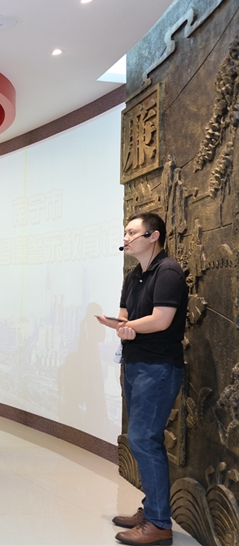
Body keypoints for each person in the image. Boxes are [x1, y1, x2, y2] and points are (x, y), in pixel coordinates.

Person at [97, 212, 187, 546]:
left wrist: (127, 327)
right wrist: (121, 324)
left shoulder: (168, 271)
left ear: (153, 236)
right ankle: (151, 510)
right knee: (142, 439)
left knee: (143, 439)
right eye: (125, 232)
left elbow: (161, 320)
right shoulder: (134, 275)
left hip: (158, 367)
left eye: (132, 232)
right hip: (135, 364)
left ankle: (159, 523)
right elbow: (125, 315)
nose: (126, 237)